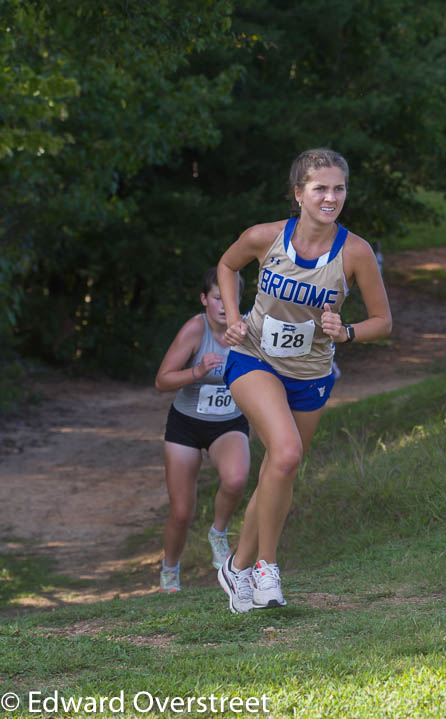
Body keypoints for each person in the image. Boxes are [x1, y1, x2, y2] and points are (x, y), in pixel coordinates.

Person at [215, 148, 392, 612]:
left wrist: (347, 331)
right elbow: (227, 266)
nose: (330, 197)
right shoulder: (264, 237)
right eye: (320, 189)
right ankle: (265, 569)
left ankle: (235, 567)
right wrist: (234, 318)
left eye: (338, 189)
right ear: (299, 194)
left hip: (311, 374)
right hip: (254, 358)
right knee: (287, 451)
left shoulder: (355, 253)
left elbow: (383, 322)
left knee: (282, 468)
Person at [153, 268, 251, 592]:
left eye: (232, 298)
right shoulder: (196, 329)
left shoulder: (249, 327)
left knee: (236, 478)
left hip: (229, 422)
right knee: (181, 512)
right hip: (187, 423)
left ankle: (218, 532)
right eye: (217, 298)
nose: (225, 305)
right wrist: (196, 371)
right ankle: (170, 570)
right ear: (204, 300)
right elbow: (162, 380)